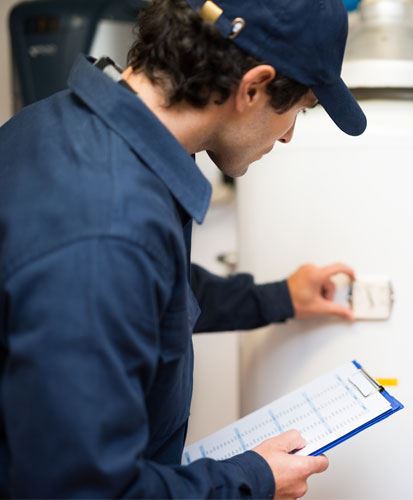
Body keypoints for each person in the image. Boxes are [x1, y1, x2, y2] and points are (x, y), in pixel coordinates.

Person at [0, 0, 367, 497]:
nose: (287, 137)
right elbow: (83, 489)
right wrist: (253, 479)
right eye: (296, 110)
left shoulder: (58, 128)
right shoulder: (106, 228)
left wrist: (279, 298)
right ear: (253, 87)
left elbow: (148, 292)